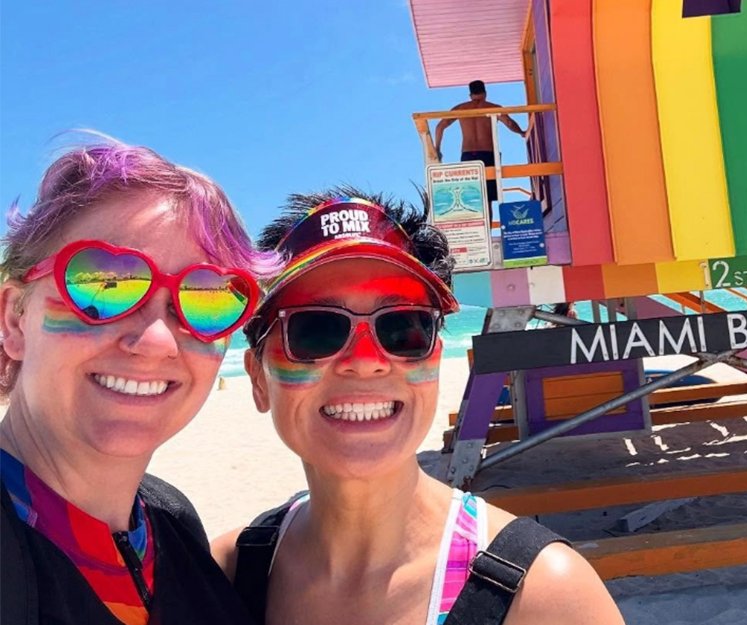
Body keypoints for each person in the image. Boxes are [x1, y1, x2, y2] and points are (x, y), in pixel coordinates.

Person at [212, 188, 624, 625]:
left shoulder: (546, 597)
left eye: (403, 328)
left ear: (434, 357)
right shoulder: (224, 575)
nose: (365, 362)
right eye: (316, 329)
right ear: (258, 378)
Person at [0, 140, 280, 624]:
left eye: (207, 297)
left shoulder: (171, 522)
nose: (156, 341)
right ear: (14, 320)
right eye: (103, 281)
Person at [433, 80, 527, 204]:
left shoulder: (461, 108)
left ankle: (477, 222)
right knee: (487, 198)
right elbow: (509, 123)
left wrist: (437, 148)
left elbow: (440, 126)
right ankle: (488, 223)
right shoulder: (493, 108)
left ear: (470, 95)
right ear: (485, 93)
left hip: (468, 155)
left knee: (472, 197)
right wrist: (521, 132)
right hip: (487, 154)